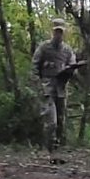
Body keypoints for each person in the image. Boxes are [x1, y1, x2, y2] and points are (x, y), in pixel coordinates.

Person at [31, 18, 78, 159]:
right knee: (51, 121)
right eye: (56, 31)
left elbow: (73, 67)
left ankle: (57, 150)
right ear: (52, 32)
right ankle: (47, 149)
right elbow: (34, 67)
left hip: (61, 89)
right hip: (47, 88)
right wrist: (37, 85)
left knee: (61, 121)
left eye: (61, 32)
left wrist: (70, 70)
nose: (58, 34)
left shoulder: (68, 50)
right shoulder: (44, 48)